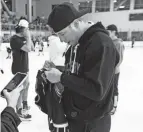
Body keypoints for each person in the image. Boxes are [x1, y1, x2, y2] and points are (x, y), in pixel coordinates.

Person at [44, 2, 119, 132]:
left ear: (76, 23)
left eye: (62, 34)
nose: (61, 40)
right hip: (77, 118)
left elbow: (96, 90)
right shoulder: (75, 45)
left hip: (92, 124)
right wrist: (58, 70)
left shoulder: (101, 44)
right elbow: (79, 74)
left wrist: (61, 77)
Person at [10, 17, 34, 120]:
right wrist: (28, 37)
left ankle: (24, 104)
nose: (28, 31)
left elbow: (32, 48)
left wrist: (28, 38)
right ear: (24, 29)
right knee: (19, 89)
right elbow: (28, 49)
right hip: (18, 68)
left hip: (25, 67)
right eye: (27, 30)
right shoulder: (14, 39)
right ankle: (18, 110)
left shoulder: (24, 38)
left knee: (27, 85)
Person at [107, 24, 125, 114]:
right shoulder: (110, 41)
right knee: (109, 89)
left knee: (114, 89)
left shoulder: (118, 43)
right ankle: (109, 105)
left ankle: (114, 106)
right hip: (108, 71)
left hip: (114, 71)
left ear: (114, 32)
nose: (107, 33)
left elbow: (120, 59)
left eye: (109, 32)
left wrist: (112, 68)